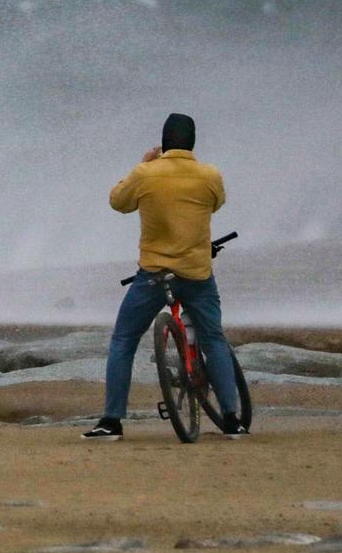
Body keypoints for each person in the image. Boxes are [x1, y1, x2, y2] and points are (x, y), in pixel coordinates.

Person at [83, 112, 245, 440]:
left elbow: (118, 202)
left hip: (154, 276)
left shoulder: (146, 173)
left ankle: (111, 421)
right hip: (197, 274)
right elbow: (216, 203)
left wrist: (144, 164)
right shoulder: (209, 175)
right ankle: (232, 420)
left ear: (164, 144)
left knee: (123, 340)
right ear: (193, 143)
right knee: (213, 339)